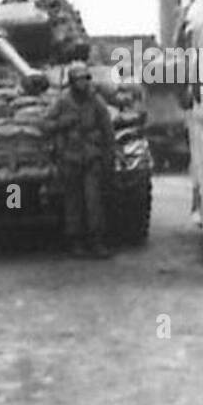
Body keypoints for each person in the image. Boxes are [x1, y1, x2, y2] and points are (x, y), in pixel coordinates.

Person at [46, 61, 116, 258]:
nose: (83, 84)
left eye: (86, 79)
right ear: (71, 82)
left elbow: (107, 129)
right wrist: (63, 123)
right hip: (70, 157)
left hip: (91, 157)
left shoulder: (96, 101)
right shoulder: (62, 101)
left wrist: (109, 155)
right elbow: (46, 123)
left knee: (94, 201)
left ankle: (96, 241)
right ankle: (75, 241)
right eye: (78, 80)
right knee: (73, 202)